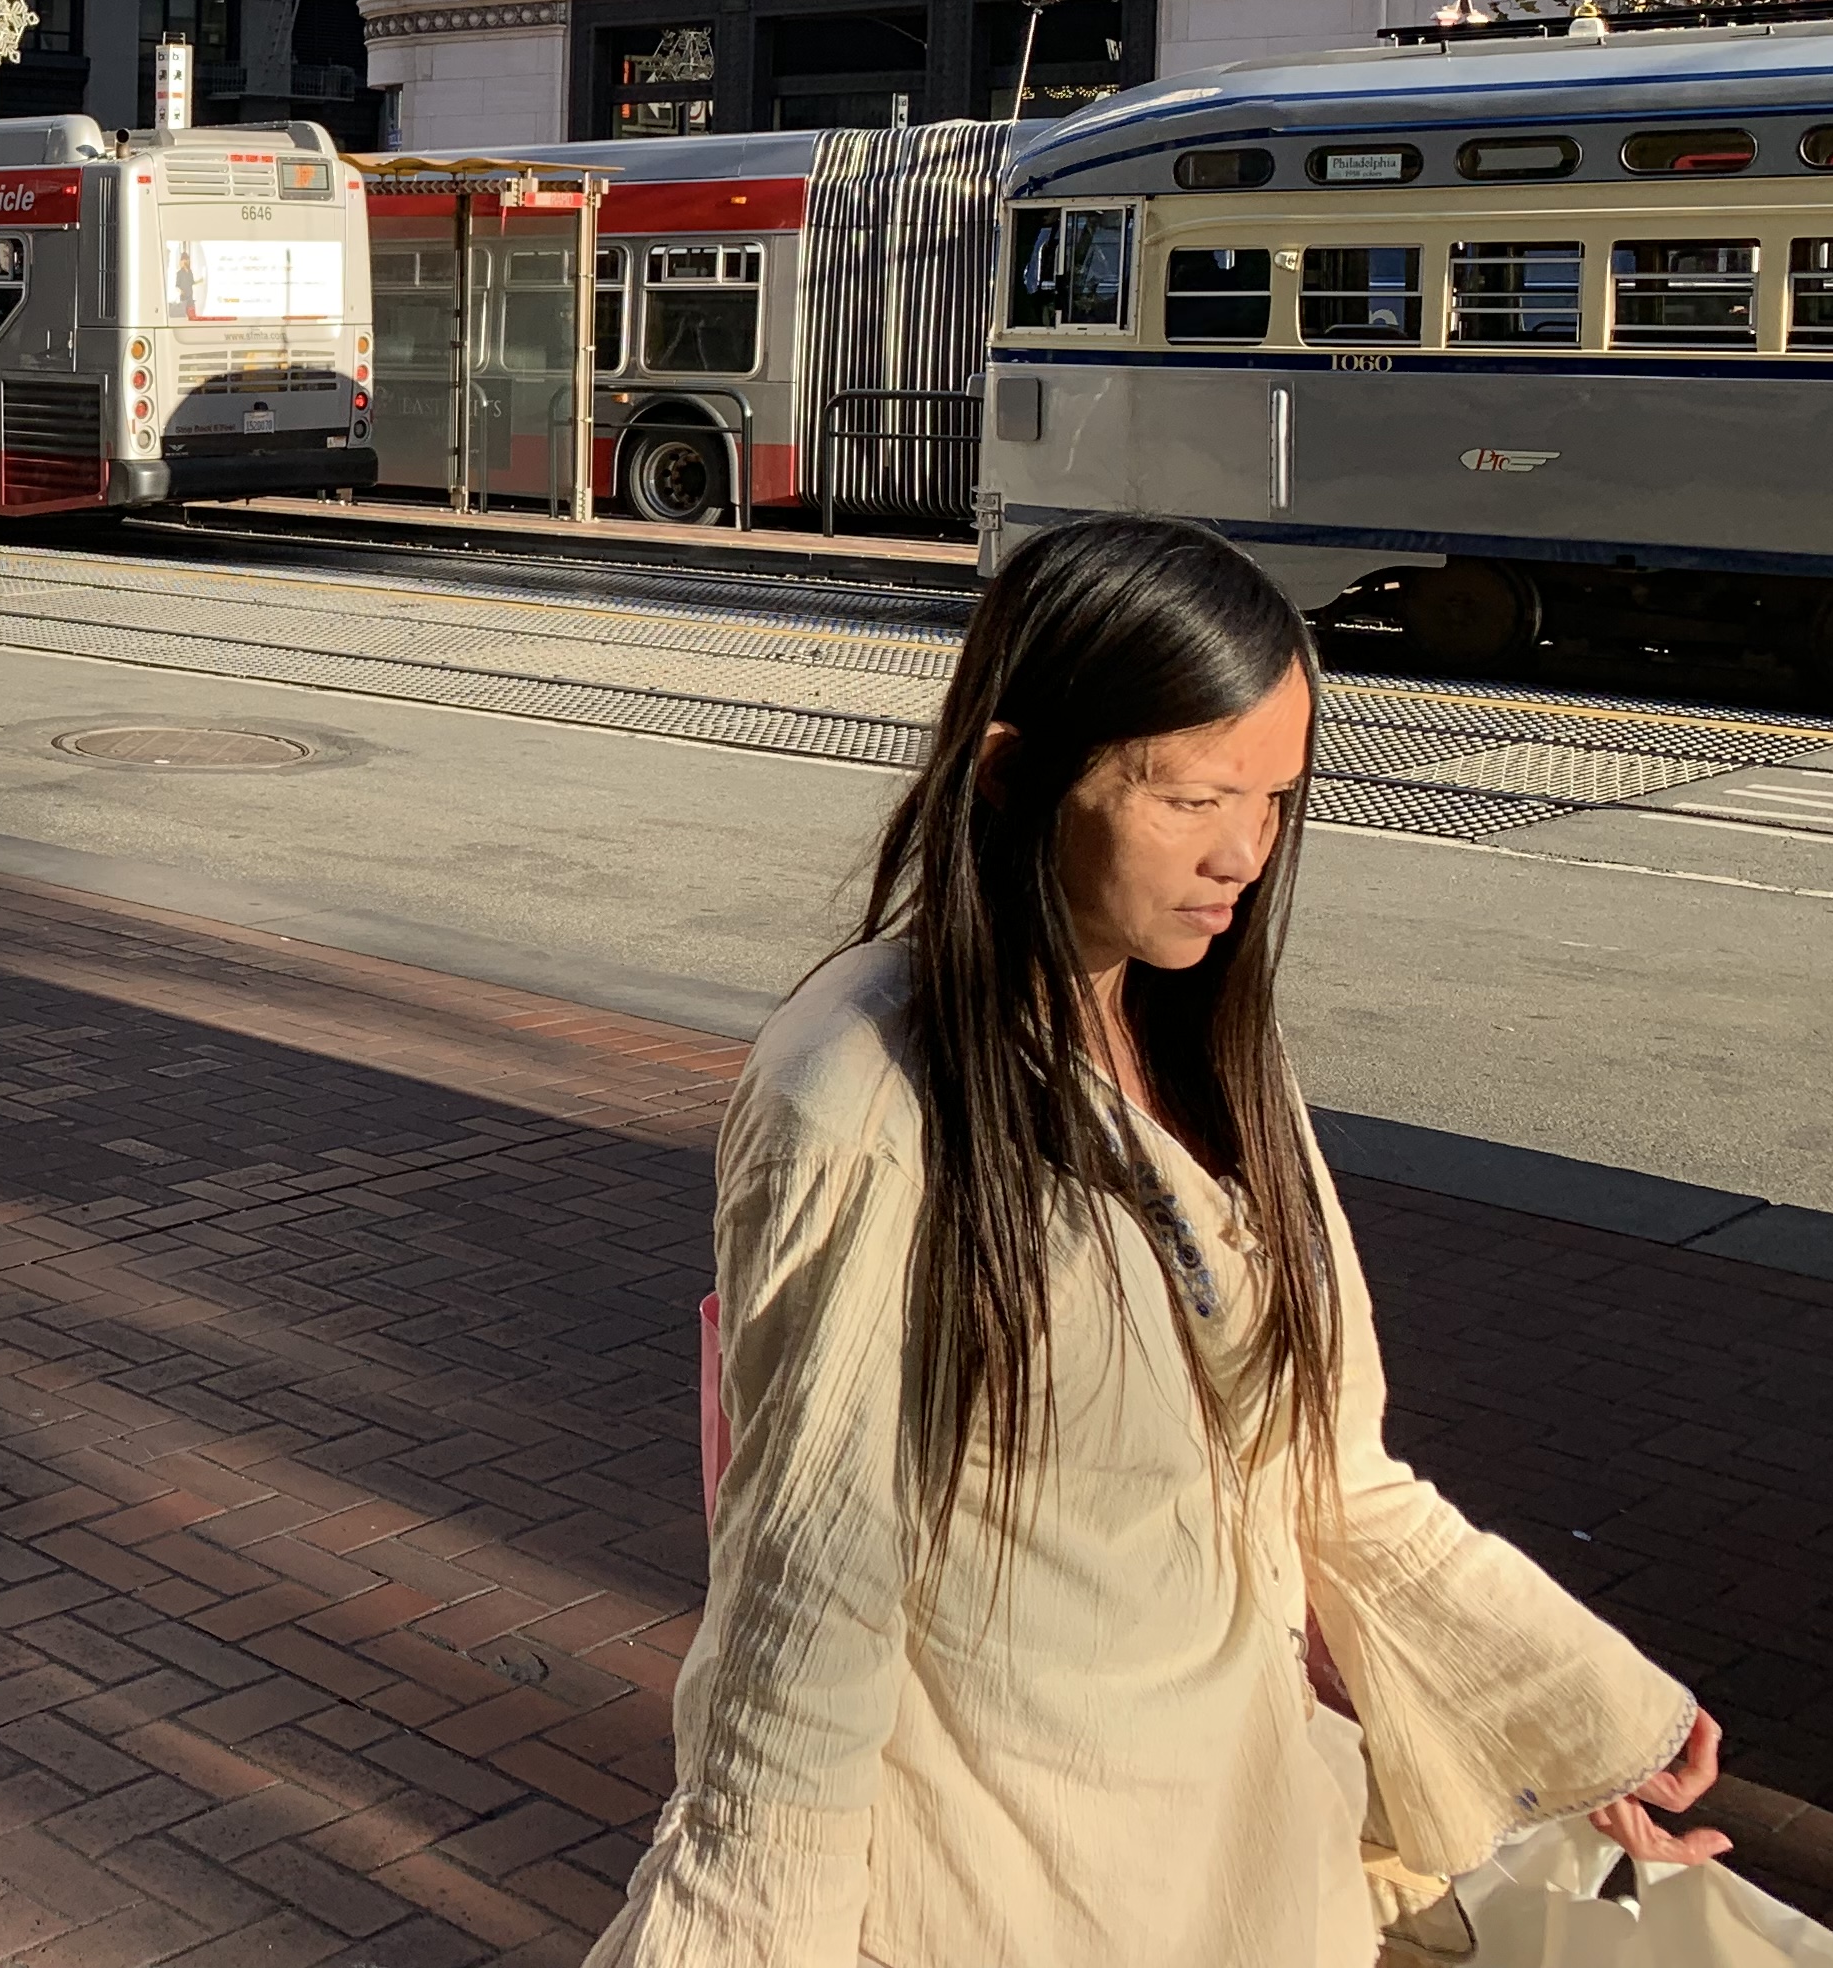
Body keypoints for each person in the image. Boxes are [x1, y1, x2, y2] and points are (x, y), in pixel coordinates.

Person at [597, 514, 1723, 1968]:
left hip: (1258, 1866)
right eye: (1192, 797)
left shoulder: (1206, 1043)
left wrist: (1583, 1720)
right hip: (1019, 1899)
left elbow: (1333, 1478)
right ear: (1014, 774)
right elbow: (812, 1589)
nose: (1245, 853)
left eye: (1277, 799)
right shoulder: (873, 1096)